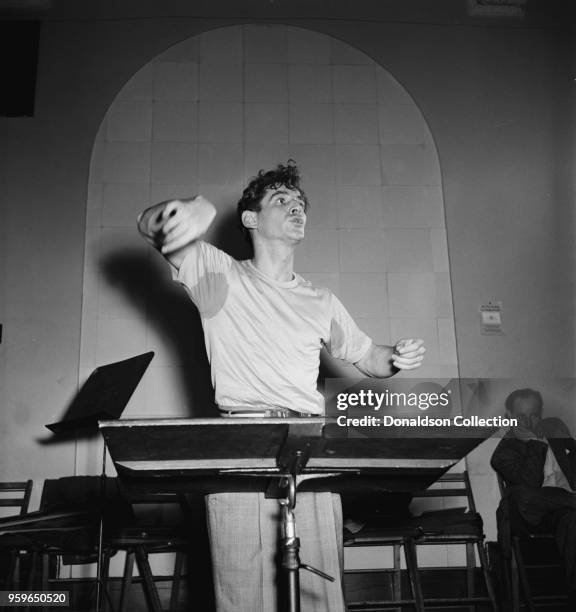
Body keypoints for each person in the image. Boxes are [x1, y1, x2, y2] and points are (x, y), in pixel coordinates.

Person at [137, 161, 426, 612]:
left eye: (300, 203)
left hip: (309, 443)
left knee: (320, 591)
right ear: (250, 219)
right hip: (240, 445)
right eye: (281, 200)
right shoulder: (218, 277)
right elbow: (150, 224)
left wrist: (395, 357)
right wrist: (182, 212)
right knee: (241, 592)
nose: (297, 208)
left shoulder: (320, 300)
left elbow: (368, 357)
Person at [491, 388, 576, 593]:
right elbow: (530, 485)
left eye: (534, 415)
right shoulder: (504, 452)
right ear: (509, 417)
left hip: (563, 510)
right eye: (521, 417)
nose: (529, 422)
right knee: (523, 496)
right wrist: (534, 444)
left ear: (541, 413)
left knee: (573, 521)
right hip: (531, 516)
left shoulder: (555, 431)